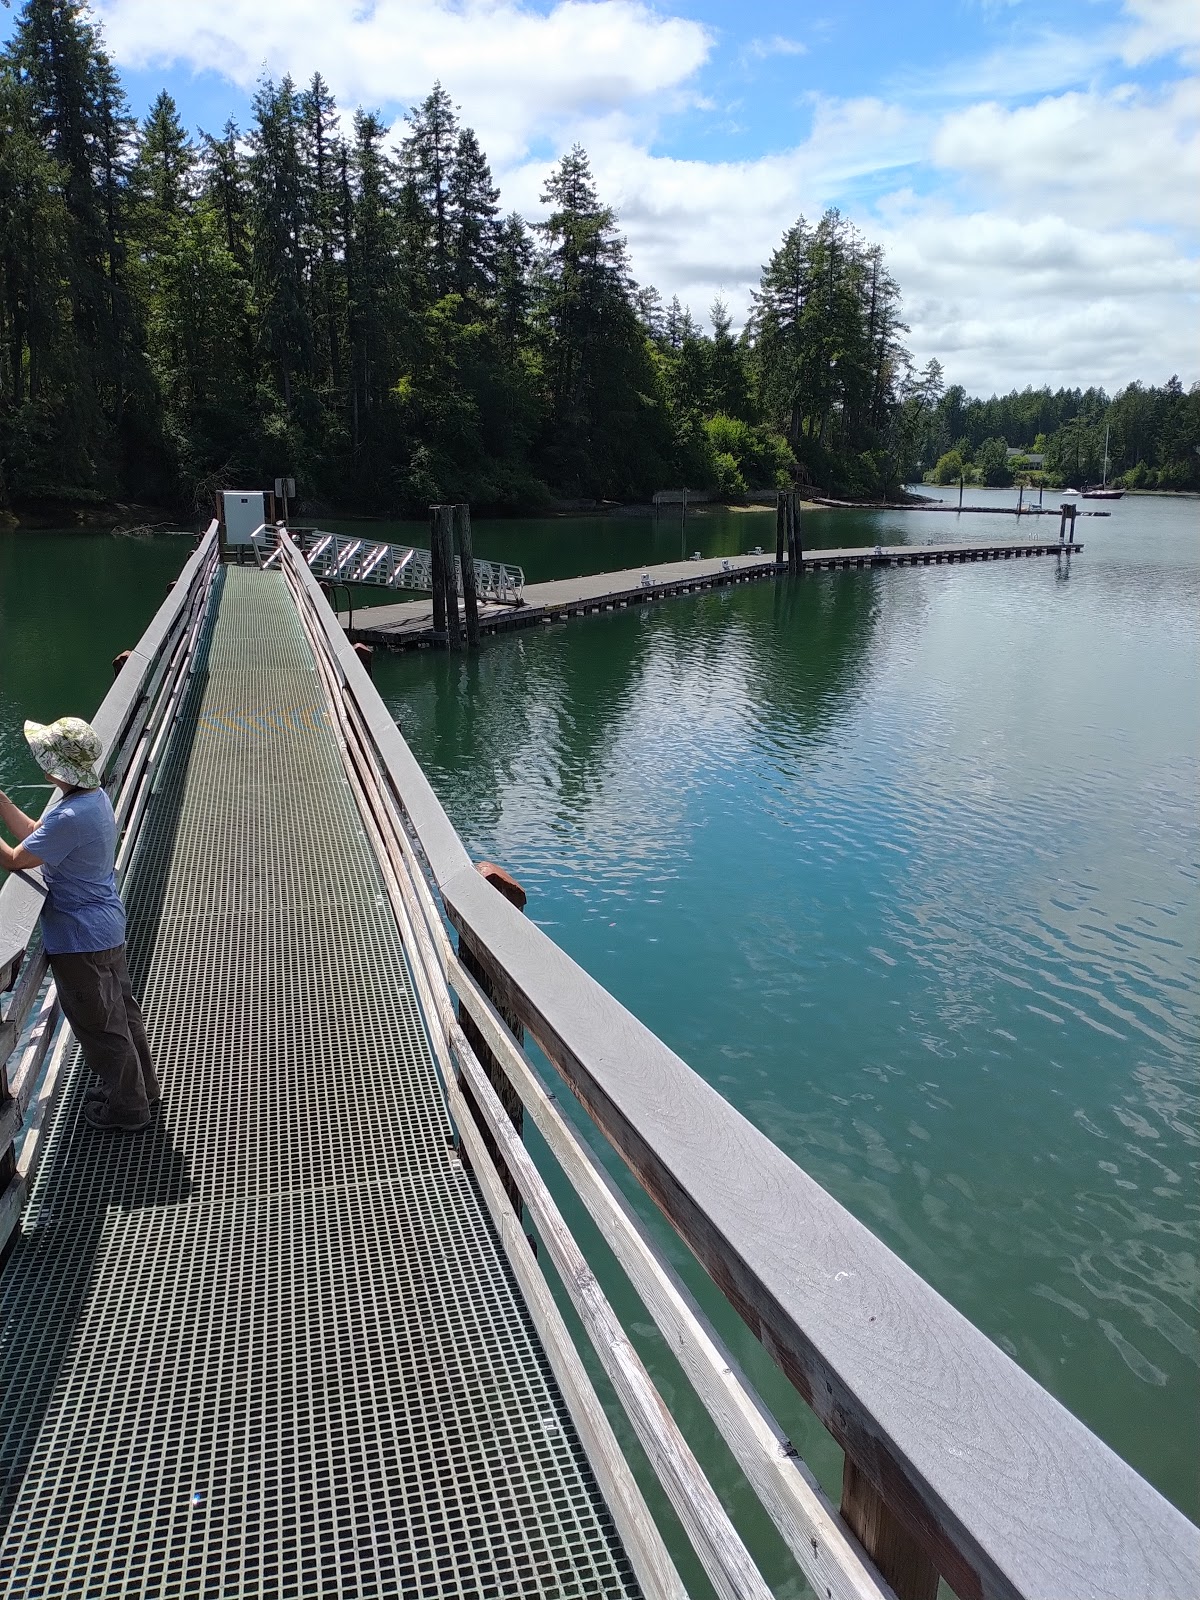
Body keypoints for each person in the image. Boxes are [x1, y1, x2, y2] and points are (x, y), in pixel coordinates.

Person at [0, 716, 158, 1132]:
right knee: (122, 1013)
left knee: (101, 1028)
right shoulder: (91, 800)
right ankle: (142, 1089)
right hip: (105, 927)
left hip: (79, 941)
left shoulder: (69, 816)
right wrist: (3, 805)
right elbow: (39, 837)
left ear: (55, 769)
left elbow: (16, 859)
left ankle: (129, 1110)